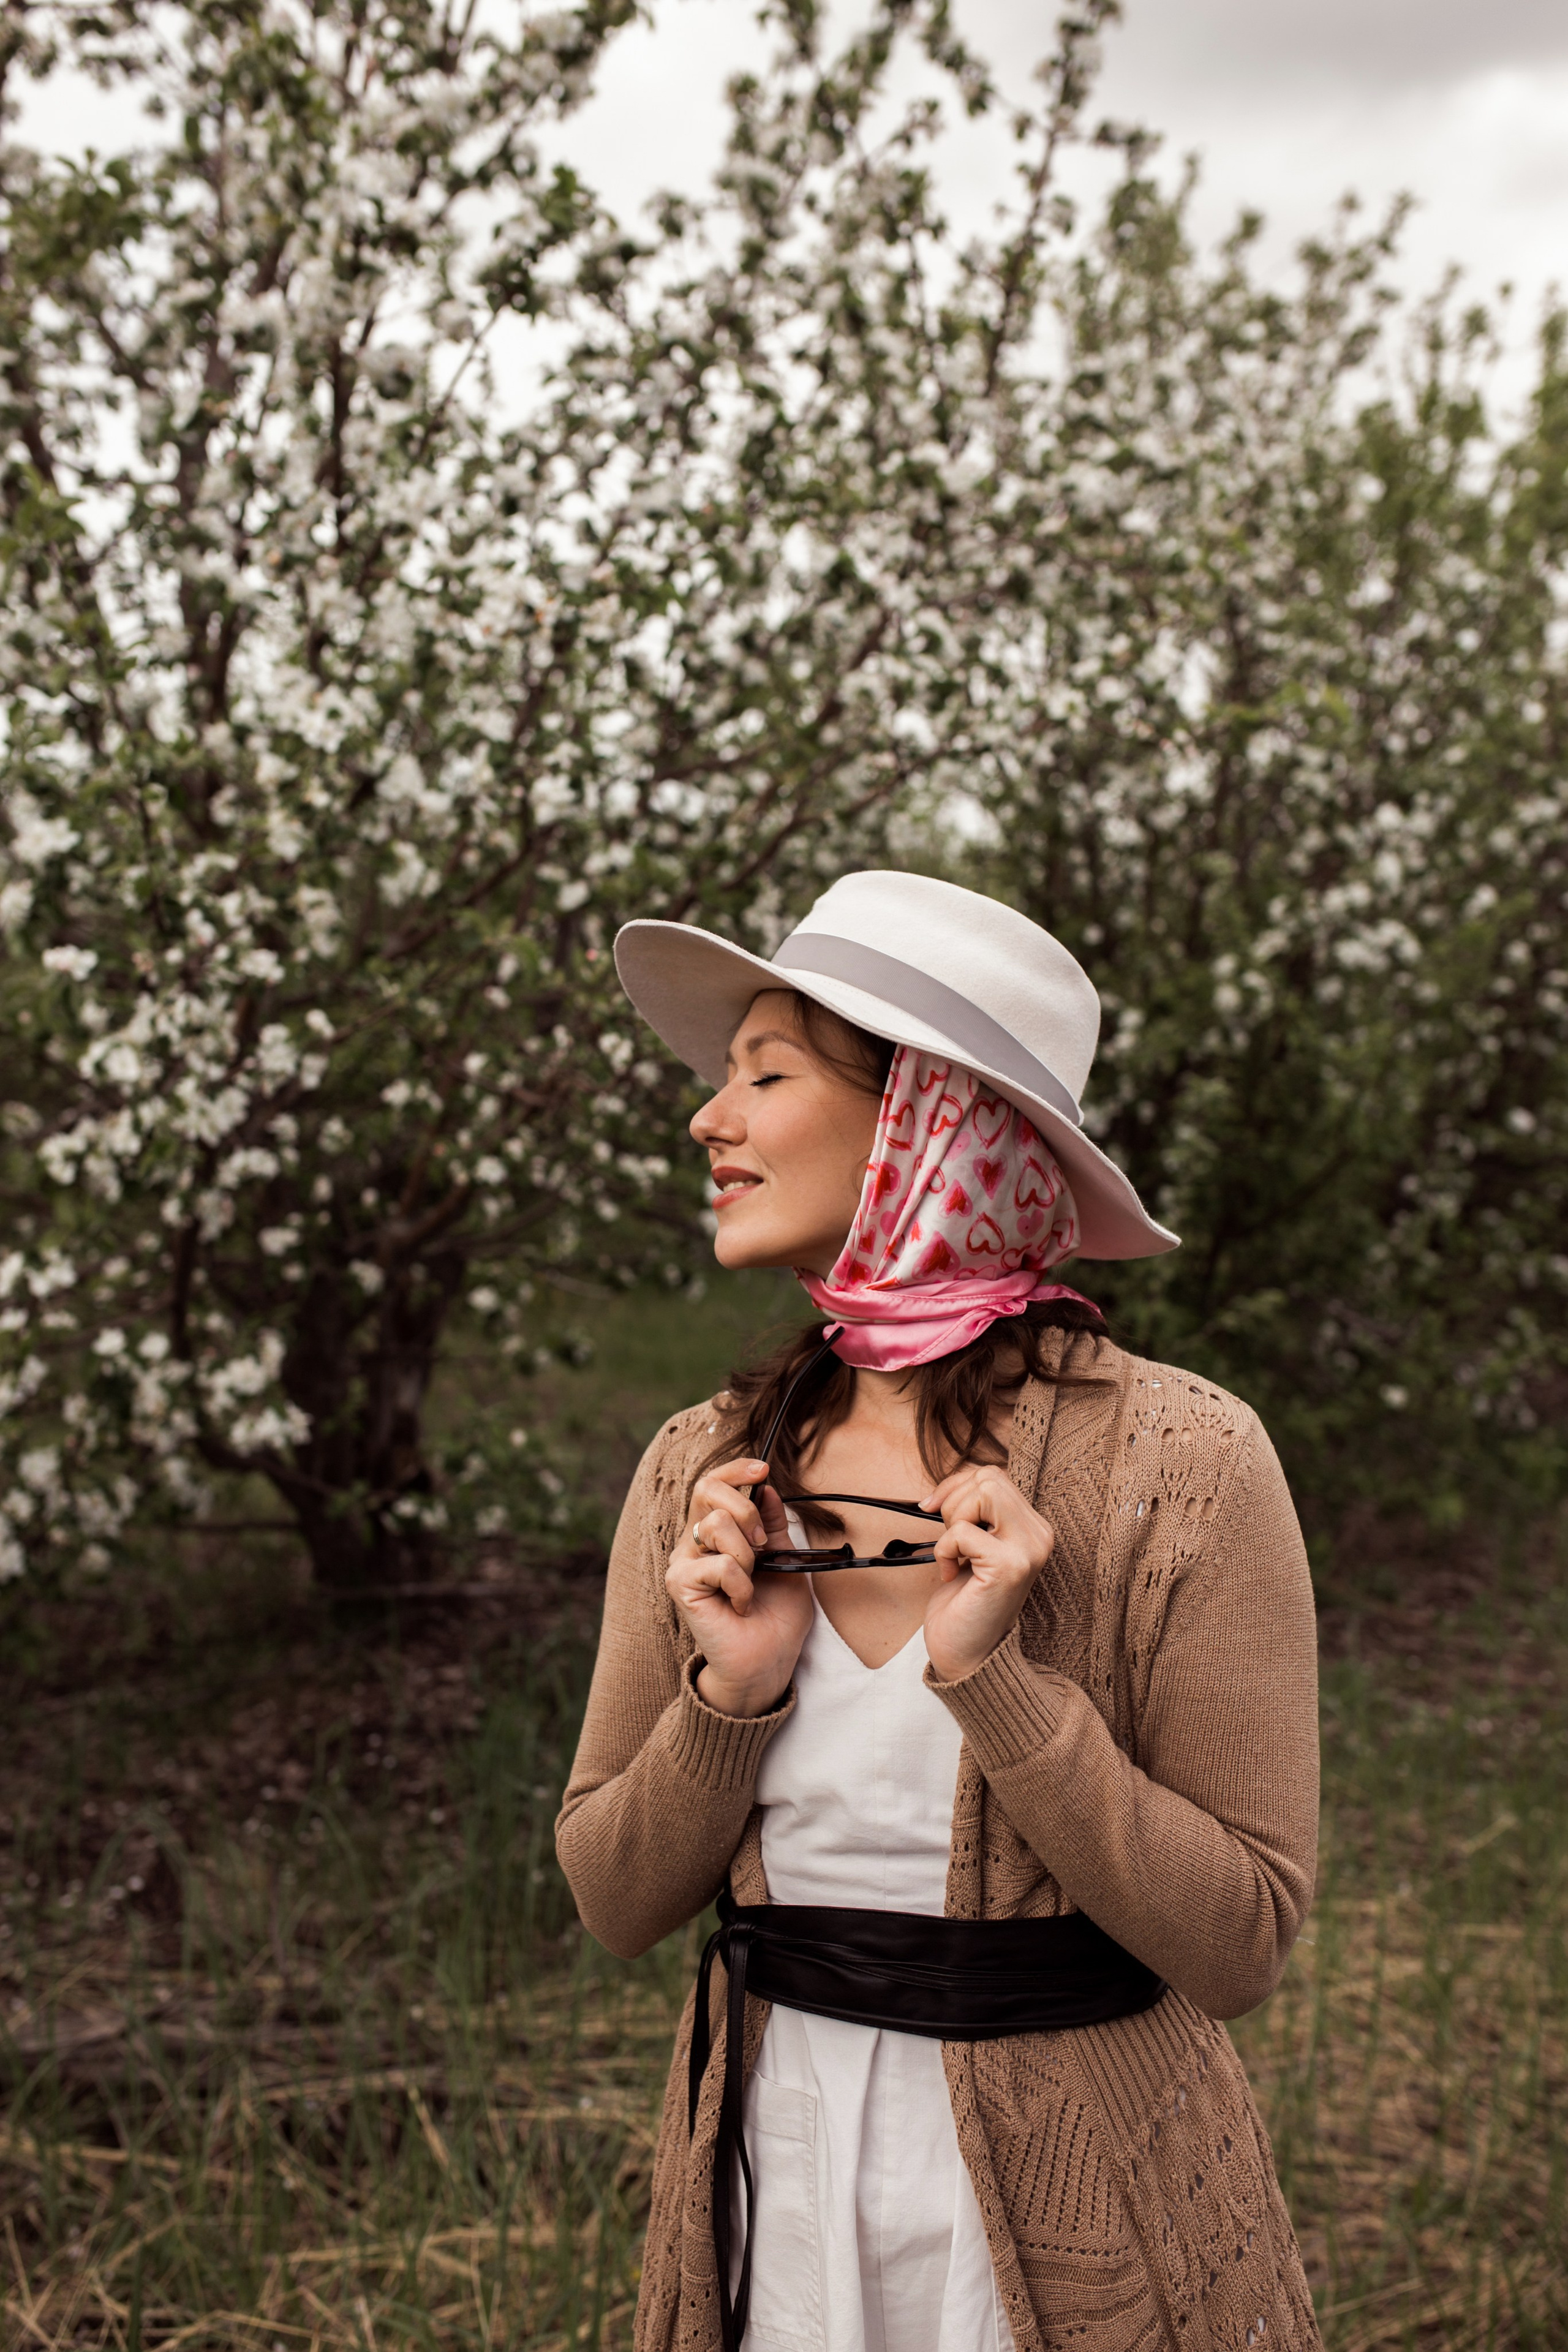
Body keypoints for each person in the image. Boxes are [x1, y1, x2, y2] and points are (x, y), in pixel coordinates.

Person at [557, 871, 1322, 2352]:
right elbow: (612, 1899)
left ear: (928, 1118)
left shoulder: (1188, 1462)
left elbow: (1237, 1945)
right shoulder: (697, 1471)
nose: (708, 1122)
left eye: (763, 1073)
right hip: (770, 2205)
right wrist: (729, 1707)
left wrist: (1005, 1691)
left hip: (1097, 2217)